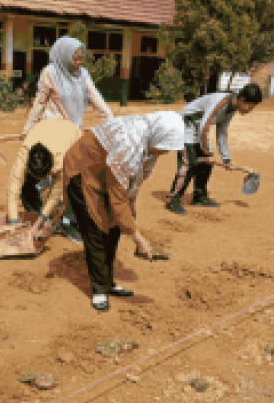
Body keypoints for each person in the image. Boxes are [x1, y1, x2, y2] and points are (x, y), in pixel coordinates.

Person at [60, 112, 182, 312]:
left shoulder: (148, 141)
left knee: (114, 227)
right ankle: (99, 289)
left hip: (106, 173)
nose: (165, 152)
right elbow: (117, 198)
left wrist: (131, 206)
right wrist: (137, 238)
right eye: (165, 147)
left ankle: (108, 282)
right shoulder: (130, 144)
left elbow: (135, 179)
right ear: (158, 135)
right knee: (97, 227)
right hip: (84, 169)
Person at [18, 36, 113, 239]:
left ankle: (68, 222)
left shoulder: (83, 75)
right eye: (75, 59)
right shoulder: (49, 73)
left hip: (73, 135)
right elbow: (39, 104)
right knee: (31, 178)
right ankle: (37, 215)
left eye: (81, 59)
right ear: (63, 56)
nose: (79, 63)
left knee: (73, 181)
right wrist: (28, 129)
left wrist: (112, 123)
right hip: (50, 133)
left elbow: (97, 99)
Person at [167, 83, 263, 215]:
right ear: (242, 100)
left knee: (207, 164)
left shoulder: (232, 108)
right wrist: (207, 152)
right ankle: (173, 199)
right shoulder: (221, 102)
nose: (250, 110)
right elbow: (205, 126)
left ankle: (199, 197)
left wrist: (226, 158)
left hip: (196, 129)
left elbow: (222, 132)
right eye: (250, 106)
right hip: (184, 125)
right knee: (189, 164)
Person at [4, 119, 84, 244]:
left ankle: (71, 224)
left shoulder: (63, 159)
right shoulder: (23, 155)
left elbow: (56, 193)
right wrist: (14, 223)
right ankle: (37, 218)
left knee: (75, 186)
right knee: (26, 186)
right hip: (45, 129)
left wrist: (43, 219)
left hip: (73, 138)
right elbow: (12, 190)